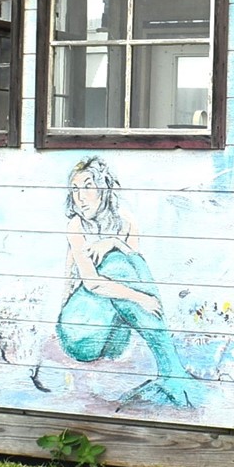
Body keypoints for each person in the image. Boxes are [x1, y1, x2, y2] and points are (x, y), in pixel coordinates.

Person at [56, 157, 200, 407]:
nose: (81, 197)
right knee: (116, 264)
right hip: (79, 331)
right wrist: (142, 299)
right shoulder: (76, 226)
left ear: (104, 188)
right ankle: (171, 369)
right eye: (75, 190)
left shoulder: (126, 220)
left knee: (124, 261)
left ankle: (170, 372)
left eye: (88, 186)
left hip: (112, 333)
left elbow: (138, 271)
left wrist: (114, 242)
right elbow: (92, 284)